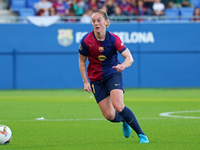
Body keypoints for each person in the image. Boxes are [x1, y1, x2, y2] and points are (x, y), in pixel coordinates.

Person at [78, 9, 149, 143]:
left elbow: (129, 58)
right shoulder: (86, 40)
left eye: (99, 20)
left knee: (118, 106)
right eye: (93, 21)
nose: (96, 23)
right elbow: (82, 61)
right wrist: (85, 81)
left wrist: (123, 65)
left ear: (106, 22)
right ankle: (124, 120)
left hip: (112, 73)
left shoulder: (114, 39)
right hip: (96, 79)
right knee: (109, 115)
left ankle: (141, 135)